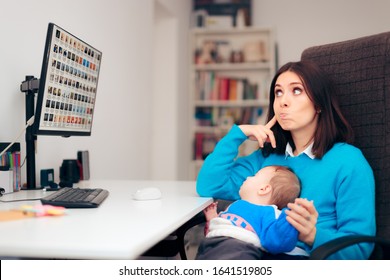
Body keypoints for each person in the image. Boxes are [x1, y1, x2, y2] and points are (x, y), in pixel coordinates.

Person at [196, 60, 376, 260]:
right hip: (251, 253)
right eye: (278, 93)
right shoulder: (266, 158)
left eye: (296, 91)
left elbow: (360, 249)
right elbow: (209, 186)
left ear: (319, 104)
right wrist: (238, 134)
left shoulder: (348, 161)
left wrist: (312, 235)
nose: (283, 101)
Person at [196, 165, 302, 260]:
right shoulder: (236, 204)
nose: (248, 177)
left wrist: (289, 218)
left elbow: (276, 240)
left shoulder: (270, 212)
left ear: (264, 189)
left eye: (254, 175)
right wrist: (213, 219)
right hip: (211, 243)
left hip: (239, 247)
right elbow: (225, 223)